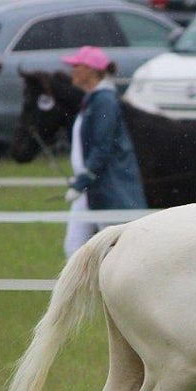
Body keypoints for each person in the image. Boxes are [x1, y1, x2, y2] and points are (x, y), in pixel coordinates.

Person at [60, 45, 146, 257]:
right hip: (91, 187)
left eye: (76, 66)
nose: (72, 71)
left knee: (113, 248)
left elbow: (102, 146)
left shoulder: (104, 101)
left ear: (90, 70)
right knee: (76, 248)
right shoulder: (94, 100)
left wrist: (82, 180)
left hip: (106, 186)